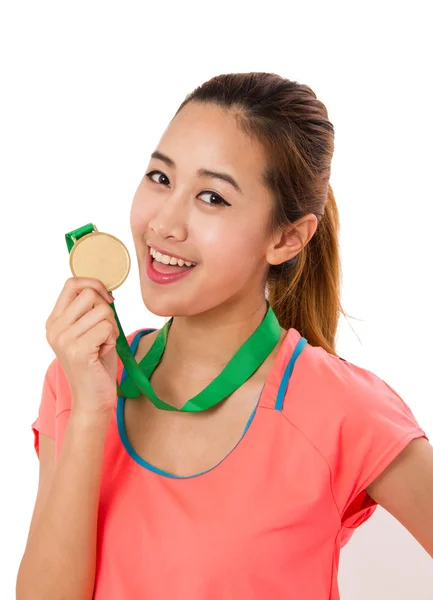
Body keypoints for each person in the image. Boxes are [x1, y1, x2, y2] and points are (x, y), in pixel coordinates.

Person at [17, 72, 431, 600]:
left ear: (286, 238)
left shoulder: (342, 409)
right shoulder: (79, 373)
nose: (164, 224)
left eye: (211, 197)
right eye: (160, 179)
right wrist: (90, 413)